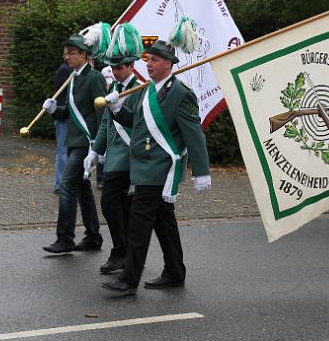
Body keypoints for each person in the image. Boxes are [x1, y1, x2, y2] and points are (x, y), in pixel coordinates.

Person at [101, 39, 211, 295]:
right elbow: (137, 122)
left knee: (138, 223)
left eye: (155, 60)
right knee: (163, 222)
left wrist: (202, 171)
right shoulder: (147, 90)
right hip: (143, 167)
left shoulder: (181, 93)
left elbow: (194, 134)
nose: (149, 64)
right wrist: (117, 109)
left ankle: (129, 279)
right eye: (148, 59)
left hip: (159, 169)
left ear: (169, 64)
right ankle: (175, 271)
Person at [41, 32, 107, 253]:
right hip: (73, 139)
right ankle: (93, 237)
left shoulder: (94, 78)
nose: (67, 57)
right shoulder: (73, 78)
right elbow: (69, 112)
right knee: (82, 189)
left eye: (71, 53)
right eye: (66, 53)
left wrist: (99, 146)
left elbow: (102, 113)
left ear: (84, 55)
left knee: (67, 184)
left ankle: (65, 239)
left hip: (86, 142)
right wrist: (54, 110)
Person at [84, 29, 141, 274]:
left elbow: (141, 123)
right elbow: (106, 123)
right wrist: (94, 151)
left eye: (119, 67)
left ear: (131, 66)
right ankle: (125, 251)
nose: (115, 71)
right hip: (114, 157)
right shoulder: (114, 88)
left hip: (130, 155)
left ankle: (121, 251)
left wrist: (120, 109)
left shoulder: (139, 89)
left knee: (109, 202)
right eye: (113, 67)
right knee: (121, 206)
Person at [53, 61, 71, 194]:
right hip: (63, 116)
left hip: (65, 115)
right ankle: (60, 184)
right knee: (63, 151)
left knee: (65, 151)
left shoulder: (68, 70)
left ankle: (63, 183)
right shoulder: (66, 70)